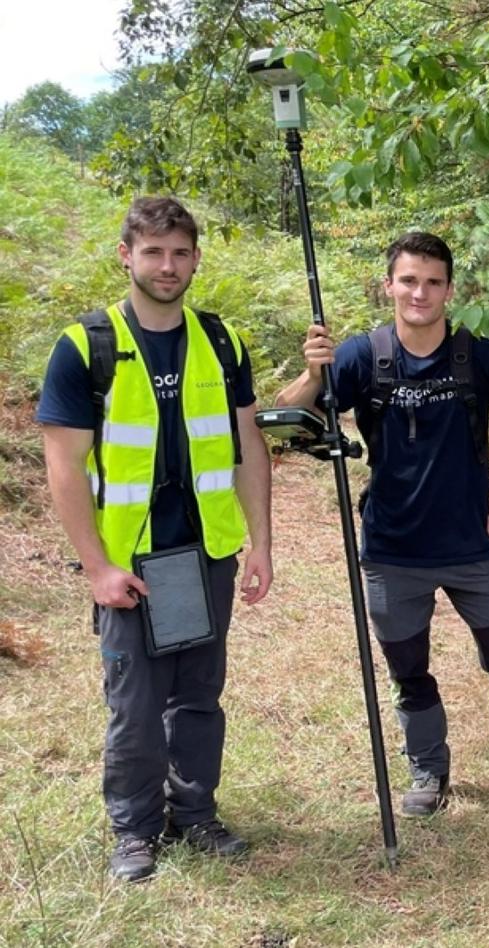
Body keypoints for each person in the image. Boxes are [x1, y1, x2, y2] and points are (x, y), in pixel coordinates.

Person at [38, 197, 273, 883]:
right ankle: (136, 831)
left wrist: (260, 543)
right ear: (126, 256)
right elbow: (64, 467)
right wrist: (97, 567)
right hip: (132, 562)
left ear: (196, 258)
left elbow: (246, 447)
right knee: (136, 706)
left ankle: (195, 813)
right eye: (153, 252)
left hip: (206, 555)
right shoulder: (87, 346)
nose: (167, 266)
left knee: (199, 696)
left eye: (179, 253)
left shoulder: (220, 340)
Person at [275, 231, 489, 818]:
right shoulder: (359, 356)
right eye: (408, 280)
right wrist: (313, 374)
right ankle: (428, 770)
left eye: (432, 282)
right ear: (389, 285)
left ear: (449, 289)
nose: (419, 292)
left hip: (474, 546)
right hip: (392, 551)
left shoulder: (483, 357)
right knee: (409, 670)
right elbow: (287, 426)